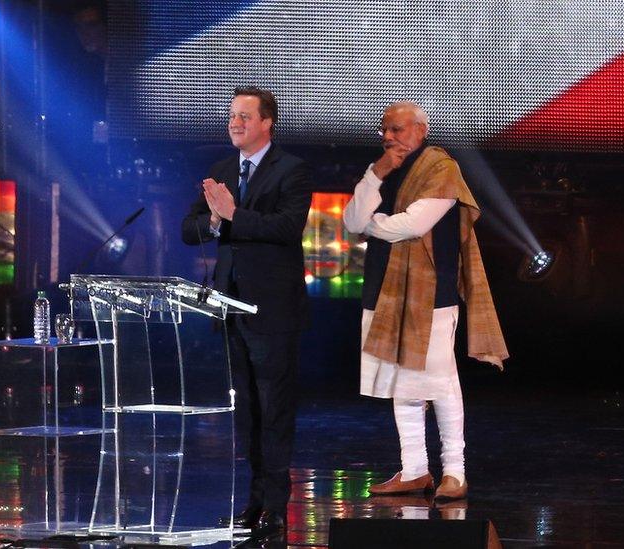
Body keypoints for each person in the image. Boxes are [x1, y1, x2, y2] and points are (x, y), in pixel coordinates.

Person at [343, 102, 508, 500]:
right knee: (403, 383)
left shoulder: (441, 169)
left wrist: (371, 224)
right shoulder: (381, 170)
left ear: (420, 129)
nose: (388, 136)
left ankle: (455, 471)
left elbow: (414, 224)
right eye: (384, 129)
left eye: (397, 129)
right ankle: (415, 470)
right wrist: (376, 174)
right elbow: (350, 221)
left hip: (429, 294)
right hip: (385, 290)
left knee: (439, 381)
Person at [181, 87, 313, 539]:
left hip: (273, 310)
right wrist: (216, 221)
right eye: (231, 115)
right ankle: (253, 503)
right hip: (230, 308)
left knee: (274, 409)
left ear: (266, 122)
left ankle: (277, 505)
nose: (234, 122)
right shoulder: (221, 171)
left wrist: (235, 214)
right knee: (247, 413)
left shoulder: (291, 171)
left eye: (244, 116)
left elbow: (287, 227)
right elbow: (189, 228)